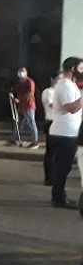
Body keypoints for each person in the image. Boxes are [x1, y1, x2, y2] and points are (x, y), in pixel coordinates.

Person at [48, 57, 83, 209]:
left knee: (64, 167)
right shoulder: (65, 85)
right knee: (62, 167)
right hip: (64, 133)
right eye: (81, 67)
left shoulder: (71, 84)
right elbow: (72, 108)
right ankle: (58, 198)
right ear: (73, 69)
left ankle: (59, 195)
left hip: (68, 132)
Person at [9, 67, 39, 148]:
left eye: (22, 71)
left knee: (31, 122)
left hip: (28, 105)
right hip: (21, 106)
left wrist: (20, 100)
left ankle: (35, 141)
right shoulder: (19, 83)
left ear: (26, 72)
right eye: (19, 71)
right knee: (18, 123)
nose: (20, 73)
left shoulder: (29, 82)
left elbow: (30, 93)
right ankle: (14, 139)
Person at [41, 72, 61, 186]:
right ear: (52, 79)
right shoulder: (48, 92)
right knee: (51, 152)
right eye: (58, 79)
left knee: (59, 152)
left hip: (60, 123)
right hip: (51, 122)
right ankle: (48, 177)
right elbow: (52, 105)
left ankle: (56, 175)